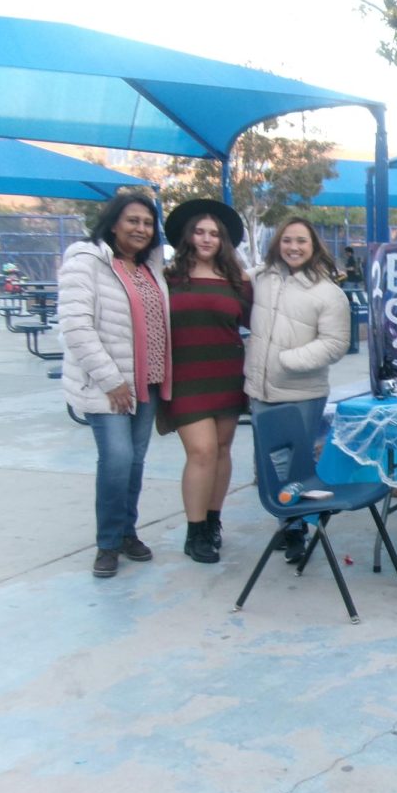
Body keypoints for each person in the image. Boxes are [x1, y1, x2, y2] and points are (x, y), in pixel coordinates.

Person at [58, 193, 172, 578]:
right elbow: (76, 327)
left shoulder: (150, 267)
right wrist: (111, 380)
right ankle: (107, 543)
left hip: (149, 382)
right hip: (107, 386)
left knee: (135, 461)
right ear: (113, 223)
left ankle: (127, 531)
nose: (141, 229)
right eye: (133, 221)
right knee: (118, 459)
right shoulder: (86, 262)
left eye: (147, 222)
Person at [244, 217, 350, 561]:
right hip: (260, 392)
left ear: (313, 246)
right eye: (287, 240)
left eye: (301, 241)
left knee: (294, 467)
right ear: (278, 244)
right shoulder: (261, 280)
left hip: (301, 394)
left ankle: (297, 531)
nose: (294, 247)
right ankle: (287, 524)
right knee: (270, 467)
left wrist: (287, 360)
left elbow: (335, 343)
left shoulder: (327, 292)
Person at [163, 199, 253, 564]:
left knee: (221, 450)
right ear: (188, 236)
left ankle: (213, 523)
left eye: (214, 233)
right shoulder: (167, 278)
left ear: (224, 240)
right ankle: (194, 530)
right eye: (200, 231)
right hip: (185, 377)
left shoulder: (238, 281)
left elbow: (258, 324)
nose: (206, 238)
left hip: (227, 374)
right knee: (200, 451)